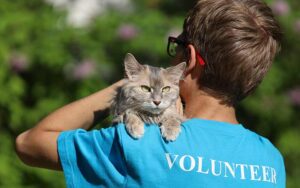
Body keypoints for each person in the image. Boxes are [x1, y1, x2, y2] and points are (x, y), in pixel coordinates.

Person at [15, 0, 286, 187]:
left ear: (189, 59)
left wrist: (127, 85)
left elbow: (29, 143)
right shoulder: (272, 162)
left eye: (177, 46)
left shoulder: (137, 145)